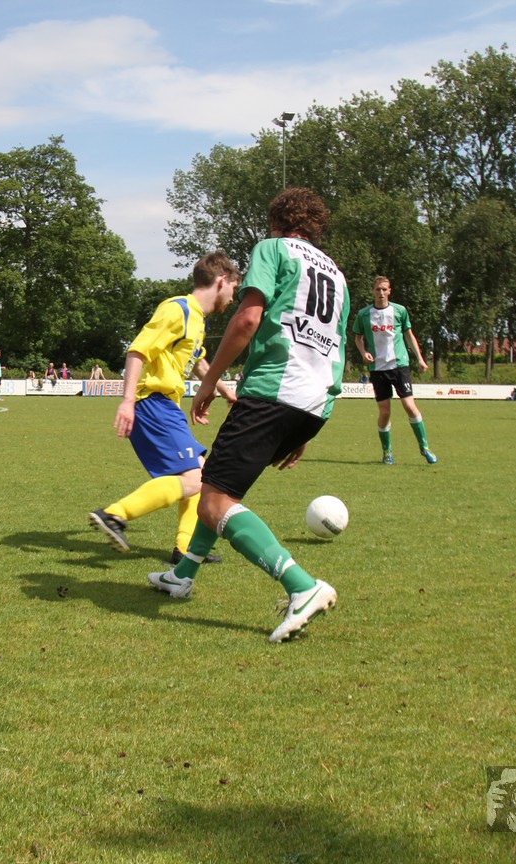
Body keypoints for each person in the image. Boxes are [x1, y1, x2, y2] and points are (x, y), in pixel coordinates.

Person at [146, 186, 349, 644]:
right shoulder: (337, 276)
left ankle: (302, 586)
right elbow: (335, 352)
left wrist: (209, 380)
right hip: (313, 403)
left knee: (215, 502)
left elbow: (247, 320)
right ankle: (182, 574)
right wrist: (306, 428)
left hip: (272, 392)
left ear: (276, 221)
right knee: (219, 482)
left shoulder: (273, 249)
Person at [88, 251, 240, 565]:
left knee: (201, 474)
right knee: (196, 478)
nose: (232, 298)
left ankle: (184, 549)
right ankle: (114, 514)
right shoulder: (177, 309)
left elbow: (196, 360)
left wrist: (223, 389)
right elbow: (137, 351)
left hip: (165, 406)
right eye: (234, 289)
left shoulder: (197, 319)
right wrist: (127, 402)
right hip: (152, 403)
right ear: (221, 281)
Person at [351, 275, 437, 465]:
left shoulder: (399, 311)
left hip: (399, 366)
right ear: (373, 291)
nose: (381, 293)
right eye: (378, 289)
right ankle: (387, 452)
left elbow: (409, 335)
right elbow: (357, 337)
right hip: (378, 369)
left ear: (389, 291)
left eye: (384, 289)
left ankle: (424, 447)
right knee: (385, 413)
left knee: (409, 406)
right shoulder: (364, 314)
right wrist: (364, 352)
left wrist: (420, 359)